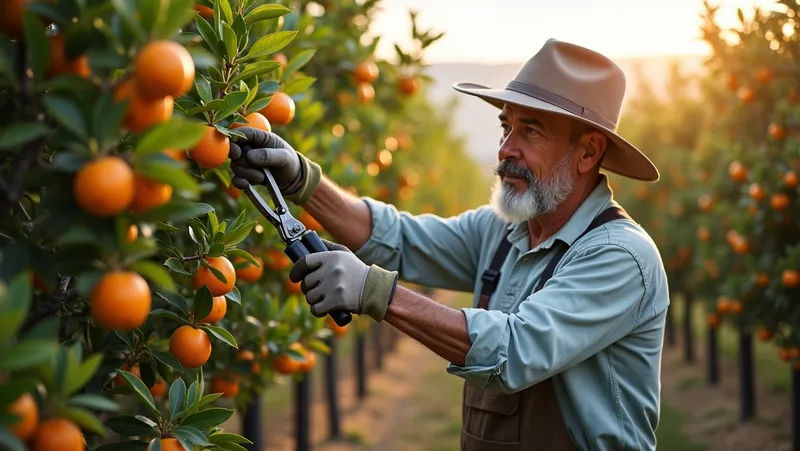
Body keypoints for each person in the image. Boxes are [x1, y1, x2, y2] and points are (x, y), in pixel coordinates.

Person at [229, 38, 669, 451]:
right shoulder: (502, 231)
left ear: (589, 152)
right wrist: (303, 181)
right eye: (506, 126)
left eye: (530, 131)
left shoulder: (619, 256)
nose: (505, 149)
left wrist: (374, 290)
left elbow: (514, 352)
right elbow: (397, 238)